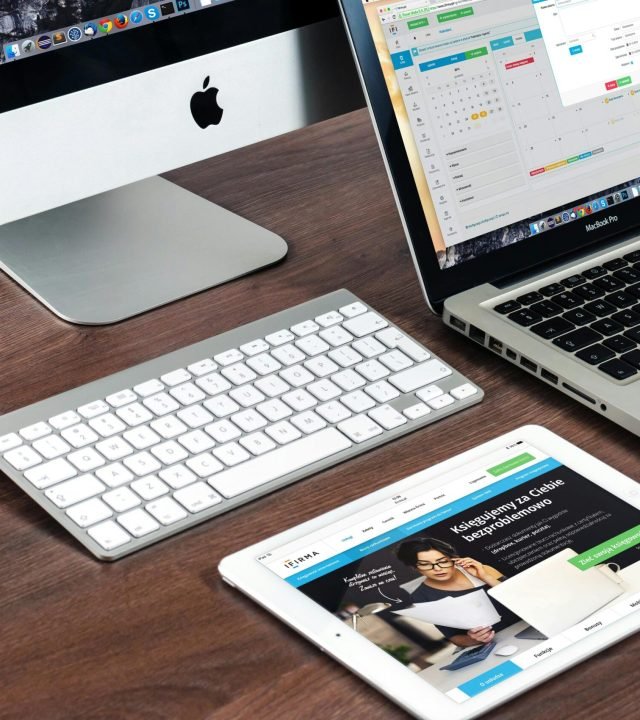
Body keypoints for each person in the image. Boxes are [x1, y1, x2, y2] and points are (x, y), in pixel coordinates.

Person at [395, 537, 518, 648]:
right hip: (496, 644)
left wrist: (485, 577)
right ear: (414, 567)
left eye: (443, 561)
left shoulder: (483, 570)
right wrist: (473, 639)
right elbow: (455, 638)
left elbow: (522, 597)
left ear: (453, 559)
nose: (437, 569)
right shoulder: (421, 596)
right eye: (425, 565)